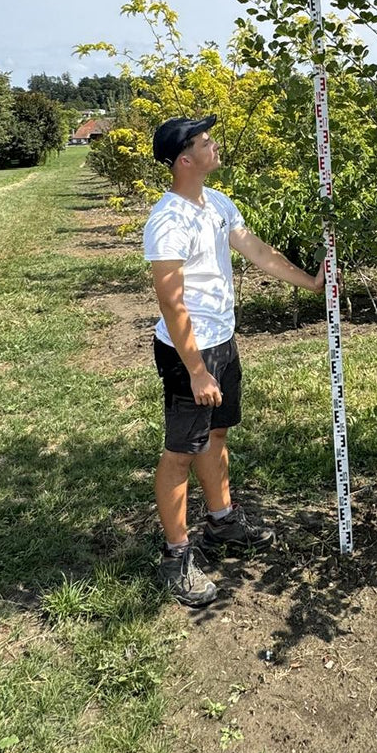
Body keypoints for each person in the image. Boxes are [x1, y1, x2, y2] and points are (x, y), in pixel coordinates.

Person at [143, 114, 324, 606]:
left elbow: (257, 251)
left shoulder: (218, 204)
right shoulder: (168, 220)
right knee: (181, 451)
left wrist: (311, 282)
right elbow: (170, 301)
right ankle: (176, 555)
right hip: (189, 353)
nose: (215, 145)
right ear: (185, 159)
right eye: (206, 142)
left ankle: (222, 524)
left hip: (222, 341)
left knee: (216, 434)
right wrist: (197, 368)